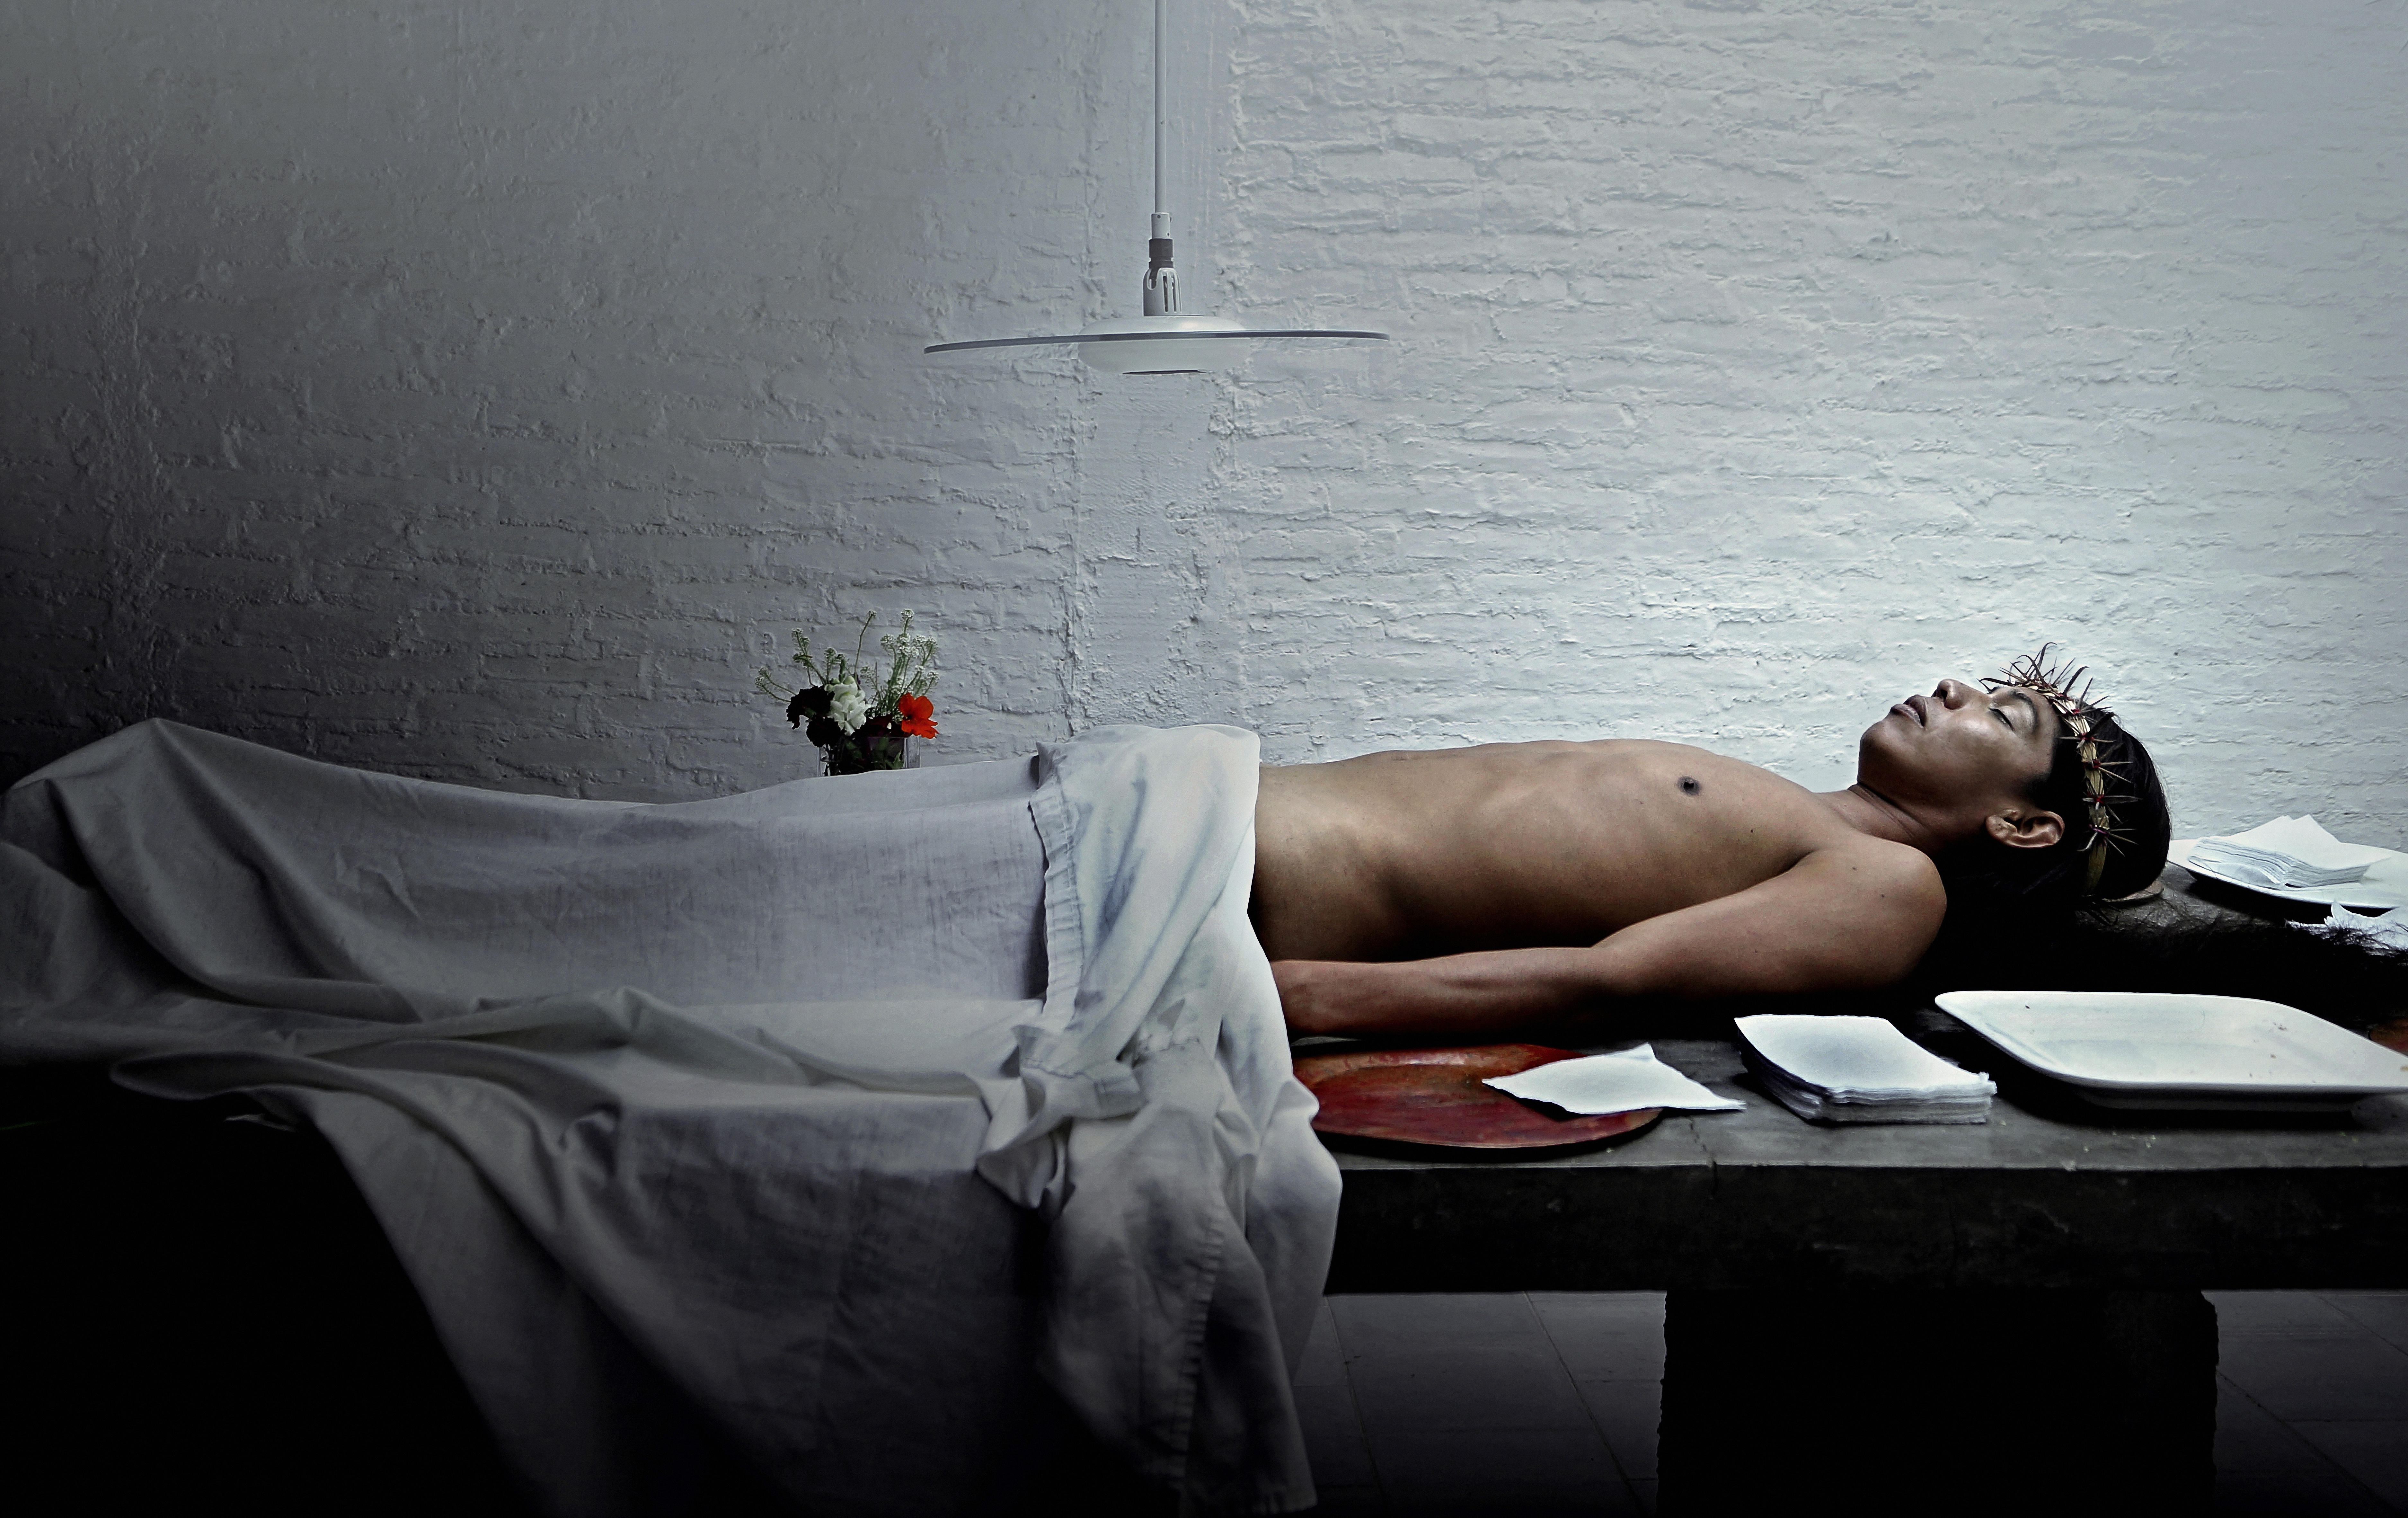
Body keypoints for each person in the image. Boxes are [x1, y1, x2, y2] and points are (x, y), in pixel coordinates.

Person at [1253, 650, 2173, 1037]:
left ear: (2023, 826)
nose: (1953, 685)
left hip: (1244, 890)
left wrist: (1298, 997)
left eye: (2002, 716)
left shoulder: (1892, 885)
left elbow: (1609, 981)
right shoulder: (1811, 816)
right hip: (1222, 808)